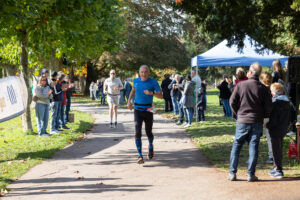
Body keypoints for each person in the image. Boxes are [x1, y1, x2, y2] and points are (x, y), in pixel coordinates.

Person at [228, 62, 272, 182]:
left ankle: (232, 173)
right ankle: (250, 174)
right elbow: (269, 107)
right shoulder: (263, 88)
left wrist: (238, 114)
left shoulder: (241, 85)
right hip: (257, 121)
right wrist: (263, 116)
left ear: (250, 72)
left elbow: (231, 101)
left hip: (242, 120)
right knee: (253, 147)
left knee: (236, 146)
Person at [127, 65, 163, 164]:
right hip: (137, 109)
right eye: (141, 72)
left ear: (149, 72)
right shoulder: (136, 81)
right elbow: (133, 91)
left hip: (148, 109)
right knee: (137, 132)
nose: (143, 74)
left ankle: (150, 146)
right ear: (139, 72)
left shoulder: (153, 82)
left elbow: (161, 96)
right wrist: (129, 101)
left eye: (145, 72)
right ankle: (140, 155)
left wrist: (152, 93)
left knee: (148, 131)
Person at [267, 83, 290, 179]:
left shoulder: (275, 103)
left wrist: (268, 125)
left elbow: (273, 119)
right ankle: (277, 167)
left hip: (275, 129)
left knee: (276, 150)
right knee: (278, 149)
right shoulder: (287, 102)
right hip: (283, 128)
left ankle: (278, 170)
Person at [259, 72, 274, 164]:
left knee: (255, 136)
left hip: (261, 116)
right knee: (270, 137)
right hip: (271, 116)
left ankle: (253, 156)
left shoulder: (260, 89)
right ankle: (271, 156)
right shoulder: (273, 88)